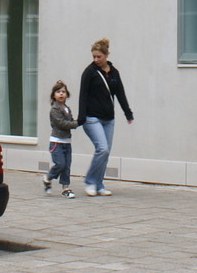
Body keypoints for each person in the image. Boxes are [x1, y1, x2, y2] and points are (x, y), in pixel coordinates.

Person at [78, 37, 133, 196]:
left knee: (106, 152)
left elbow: (120, 94)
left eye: (99, 57)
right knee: (102, 148)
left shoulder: (114, 73)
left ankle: (99, 184)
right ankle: (90, 181)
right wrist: (81, 116)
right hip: (91, 118)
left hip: (109, 119)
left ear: (106, 55)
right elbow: (83, 95)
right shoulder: (89, 72)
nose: (96, 60)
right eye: (93, 56)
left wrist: (127, 112)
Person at [43, 79, 79, 198]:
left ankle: (65, 188)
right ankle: (48, 178)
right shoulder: (54, 109)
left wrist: (77, 122)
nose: (61, 94)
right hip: (56, 142)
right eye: (58, 92)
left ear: (67, 94)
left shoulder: (67, 108)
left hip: (67, 142)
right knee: (60, 164)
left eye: (63, 92)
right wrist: (77, 123)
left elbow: (70, 121)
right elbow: (62, 123)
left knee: (67, 166)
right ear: (54, 95)